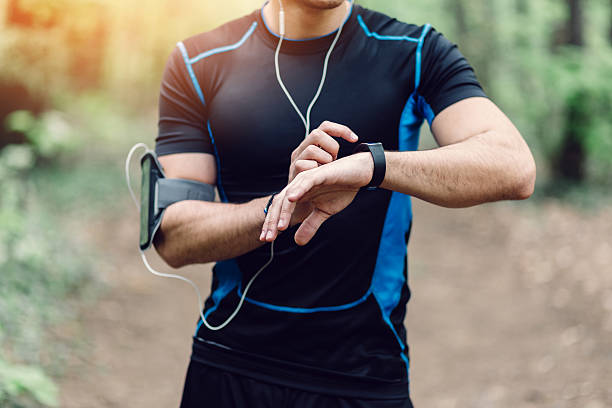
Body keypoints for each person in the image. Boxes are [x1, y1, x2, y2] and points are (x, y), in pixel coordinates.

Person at [153, 0, 536, 406]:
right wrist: (286, 205)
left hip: (365, 376)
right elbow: (173, 237)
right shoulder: (197, 61)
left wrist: (371, 167)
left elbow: (513, 166)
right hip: (230, 366)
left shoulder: (415, 51)